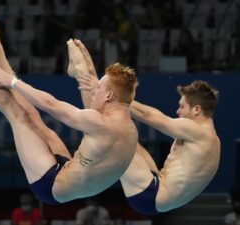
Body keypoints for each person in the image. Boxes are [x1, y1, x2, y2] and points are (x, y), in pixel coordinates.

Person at [0, 8, 138, 204]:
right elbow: (95, 108)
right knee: (33, 116)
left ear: (109, 95)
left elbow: (51, 105)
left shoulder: (100, 123)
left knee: (18, 115)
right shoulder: (130, 129)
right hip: (70, 173)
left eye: (98, 87)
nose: (95, 90)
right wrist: (87, 70)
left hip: (50, 185)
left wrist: (12, 82)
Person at [68, 40, 221, 215]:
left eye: (182, 106)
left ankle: (82, 73)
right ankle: (90, 77)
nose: (177, 110)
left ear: (197, 109)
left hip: (151, 194)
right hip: (157, 191)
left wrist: (116, 94)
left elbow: (148, 116)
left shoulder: (197, 130)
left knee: (109, 130)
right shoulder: (212, 139)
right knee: (129, 141)